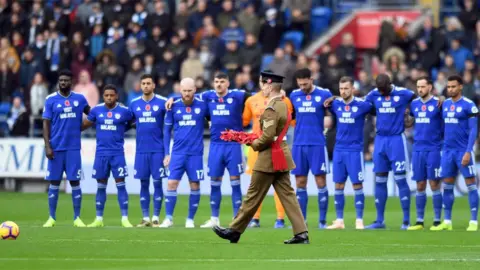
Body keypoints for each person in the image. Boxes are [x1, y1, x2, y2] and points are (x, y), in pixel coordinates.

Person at [213, 71, 309, 244]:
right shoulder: (282, 104)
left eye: (263, 84)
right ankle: (301, 233)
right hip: (280, 153)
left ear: (270, 85)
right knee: (288, 195)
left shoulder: (272, 107)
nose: (262, 87)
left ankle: (234, 230)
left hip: (269, 157)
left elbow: (267, 136)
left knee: (253, 195)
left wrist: (251, 143)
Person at [242, 71, 294, 228]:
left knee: (280, 183)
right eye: (261, 81)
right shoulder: (251, 100)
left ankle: (280, 218)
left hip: (276, 146)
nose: (263, 84)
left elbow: (291, 121)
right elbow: (244, 121)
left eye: (266, 82)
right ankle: (255, 218)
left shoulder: (284, 101)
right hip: (256, 148)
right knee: (255, 184)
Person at [198, 72, 249, 228]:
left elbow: (258, 97)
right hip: (215, 145)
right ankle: (214, 219)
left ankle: (237, 219)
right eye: (216, 81)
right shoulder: (207, 96)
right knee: (214, 182)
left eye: (222, 81)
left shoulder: (238, 95)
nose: (219, 84)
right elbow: (189, 97)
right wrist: (173, 99)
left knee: (235, 182)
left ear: (228, 83)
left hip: (233, 145)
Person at [42, 69, 91, 228]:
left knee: (75, 182)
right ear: (58, 82)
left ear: (71, 81)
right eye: (61, 80)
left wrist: (82, 127)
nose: (63, 83)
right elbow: (46, 124)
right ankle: (51, 218)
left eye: (66, 80)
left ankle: (77, 218)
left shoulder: (80, 99)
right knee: (54, 182)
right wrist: (47, 146)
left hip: (73, 149)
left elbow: (93, 115)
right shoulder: (50, 99)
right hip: (56, 148)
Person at [81, 84, 134, 228]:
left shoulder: (124, 111)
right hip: (101, 154)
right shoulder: (96, 110)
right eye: (106, 95)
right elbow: (84, 125)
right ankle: (98, 219)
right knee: (100, 187)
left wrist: (122, 128)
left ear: (116, 96)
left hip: (117, 154)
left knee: (121, 186)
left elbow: (133, 122)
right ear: (103, 96)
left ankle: (124, 219)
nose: (109, 98)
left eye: (112, 95)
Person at [160, 77, 209, 228]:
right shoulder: (172, 106)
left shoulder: (203, 104)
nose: (187, 94)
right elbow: (167, 131)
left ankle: (190, 219)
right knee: (171, 183)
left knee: (194, 185)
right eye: (184, 91)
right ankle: (168, 218)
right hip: (178, 153)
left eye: (189, 90)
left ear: (195, 90)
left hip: (195, 153)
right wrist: (167, 153)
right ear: (180, 90)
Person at [289, 68, 333, 229]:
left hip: (317, 144)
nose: (302, 86)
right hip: (299, 143)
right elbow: (290, 116)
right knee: (300, 181)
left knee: (320, 180)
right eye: (299, 84)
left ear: (311, 79)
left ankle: (322, 221)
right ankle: (302, 221)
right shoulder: (294, 95)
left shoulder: (324, 94)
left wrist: (329, 118)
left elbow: (333, 110)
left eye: (305, 83)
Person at [327, 76, 372, 229]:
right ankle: (339, 220)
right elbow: (325, 104)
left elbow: (374, 103)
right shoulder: (336, 104)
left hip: (354, 150)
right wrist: (332, 98)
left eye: (346, 88)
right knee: (338, 184)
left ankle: (359, 219)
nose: (343, 91)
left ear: (353, 88)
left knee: (357, 184)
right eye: (341, 89)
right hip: (339, 149)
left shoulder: (362, 105)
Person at [435, 75, 479, 231]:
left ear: (460, 87)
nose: (450, 89)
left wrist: (469, 151)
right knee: (447, 186)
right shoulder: (445, 104)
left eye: (453, 86)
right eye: (448, 87)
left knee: (471, 185)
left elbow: (474, 130)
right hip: (447, 151)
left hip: (462, 151)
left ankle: (473, 221)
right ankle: (447, 221)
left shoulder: (469, 105)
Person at [129, 74, 168, 227]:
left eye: (148, 83)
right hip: (141, 151)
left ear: (153, 86)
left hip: (157, 150)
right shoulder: (134, 104)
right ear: (140, 85)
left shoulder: (163, 102)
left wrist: (167, 152)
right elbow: (128, 121)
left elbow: (170, 122)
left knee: (158, 183)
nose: (145, 86)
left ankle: (156, 217)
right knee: (143, 184)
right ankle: (145, 217)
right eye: (143, 83)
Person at [406, 77, 443, 231]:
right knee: (420, 184)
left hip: (434, 149)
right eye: (418, 87)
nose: (420, 89)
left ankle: (436, 220)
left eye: (422, 86)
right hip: (418, 149)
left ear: (430, 87)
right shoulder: (414, 104)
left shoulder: (439, 103)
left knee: (434, 184)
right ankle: (420, 221)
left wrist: (443, 98)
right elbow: (410, 122)